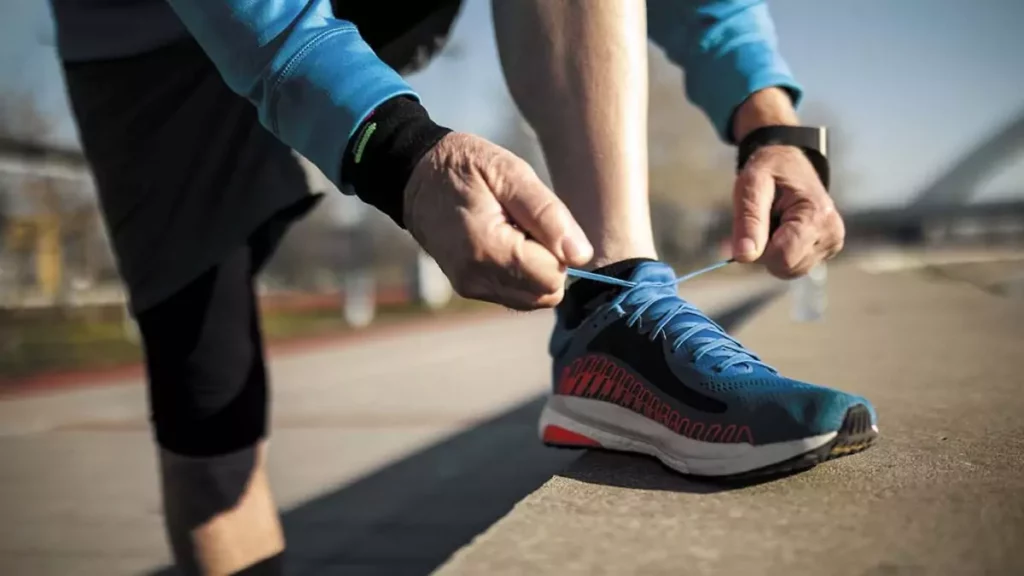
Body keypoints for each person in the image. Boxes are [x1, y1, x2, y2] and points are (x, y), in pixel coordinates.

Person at [49, 0, 878, 573]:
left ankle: (615, 311)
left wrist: (772, 120)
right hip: (148, 41)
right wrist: (397, 151)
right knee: (209, 427)